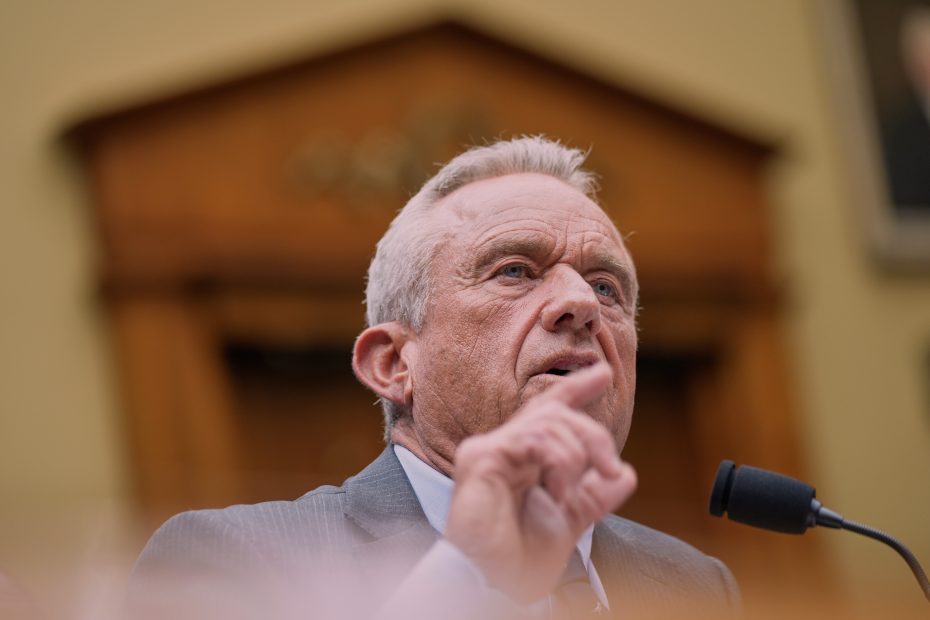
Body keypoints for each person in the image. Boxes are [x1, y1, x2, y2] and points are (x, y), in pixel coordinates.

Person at [131, 137, 740, 619]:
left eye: (606, 287)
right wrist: (465, 574)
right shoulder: (234, 558)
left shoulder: (699, 585)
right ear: (394, 364)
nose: (581, 302)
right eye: (515, 271)